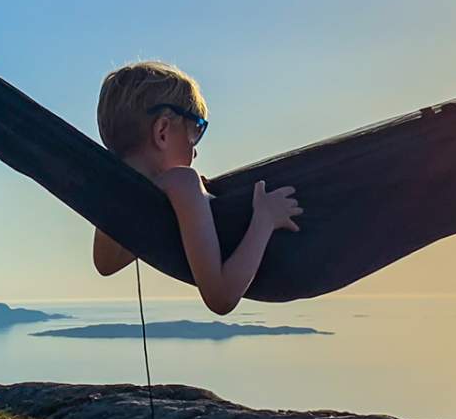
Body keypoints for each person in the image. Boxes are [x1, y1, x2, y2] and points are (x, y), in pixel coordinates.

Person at [91, 61, 301, 315]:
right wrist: (265, 219)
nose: (196, 149)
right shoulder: (184, 184)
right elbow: (220, 296)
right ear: (163, 131)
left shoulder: (110, 192)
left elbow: (104, 264)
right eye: (196, 130)